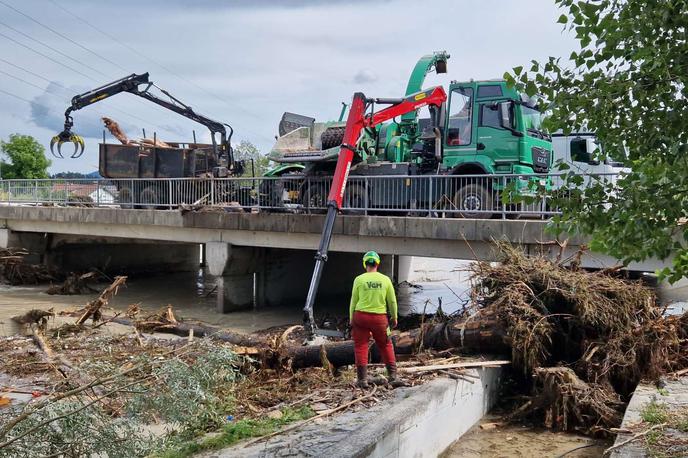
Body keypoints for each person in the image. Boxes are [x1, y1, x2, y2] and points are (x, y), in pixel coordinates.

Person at [349, 251, 398, 388]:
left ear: (365, 264)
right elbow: (392, 302)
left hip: (360, 316)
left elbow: (353, 302)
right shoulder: (386, 280)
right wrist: (394, 317)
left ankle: (362, 380)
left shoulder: (359, 279)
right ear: (377, 263)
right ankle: (393, 376)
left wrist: (351, 319)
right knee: (386, 344)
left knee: (360, 346)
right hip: (379, 319)